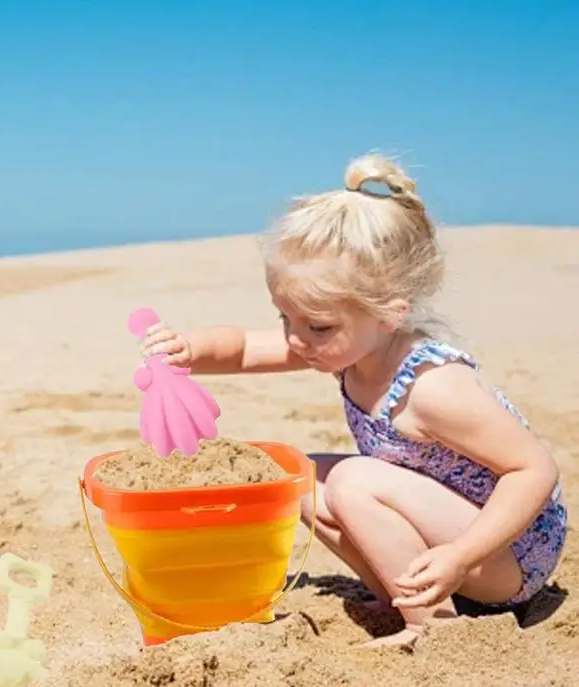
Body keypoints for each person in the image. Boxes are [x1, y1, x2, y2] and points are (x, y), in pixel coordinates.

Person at [140, 152, 568, 648]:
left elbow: (534, 470)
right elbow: (245, 347)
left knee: (353, 480)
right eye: (286, 319)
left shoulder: (433, 388)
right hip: (455, 534)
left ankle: (434, 624)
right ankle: (401, 590)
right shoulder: (347, 345)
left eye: (316, 326)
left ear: (389, 313)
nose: (296, 340)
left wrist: (462, 556)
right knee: (298, 478)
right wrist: (187, 350)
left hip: (510, 553)